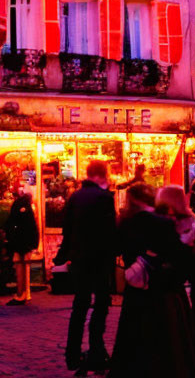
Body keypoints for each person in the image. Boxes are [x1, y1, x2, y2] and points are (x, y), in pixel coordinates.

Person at [110, 183, 195, 378]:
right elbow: (178, 258)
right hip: (162, 291)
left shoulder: (125, 222)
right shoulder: (162, 223)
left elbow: (115, 250)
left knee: (132, 338)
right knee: (166, 343)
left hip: (135, 290)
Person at [53, 159, 117, 373]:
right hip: (99, 260)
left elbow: (67, 228)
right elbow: (109, 232)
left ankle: (72, 353)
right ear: (101, 175)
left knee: (79, 305)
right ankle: (96, 349)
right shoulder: (104, 198)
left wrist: (64, 255)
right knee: (100, 305)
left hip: (79, 260)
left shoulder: (75, 197)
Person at [156, 184, 195, 372]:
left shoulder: (184, 221)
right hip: (192, 272)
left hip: (189, 272)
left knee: (194, 312)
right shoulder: (188, 220)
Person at [4, 183, 39, 306]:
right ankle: (25, 293)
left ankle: (20, 294)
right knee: (25, 266)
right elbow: (32, 226)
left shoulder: (18, 205)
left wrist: (10, 237)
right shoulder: (29, 208)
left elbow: (11, 222)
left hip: (18, 241)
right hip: (26, 242)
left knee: (19, 265)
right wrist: (34, 242)